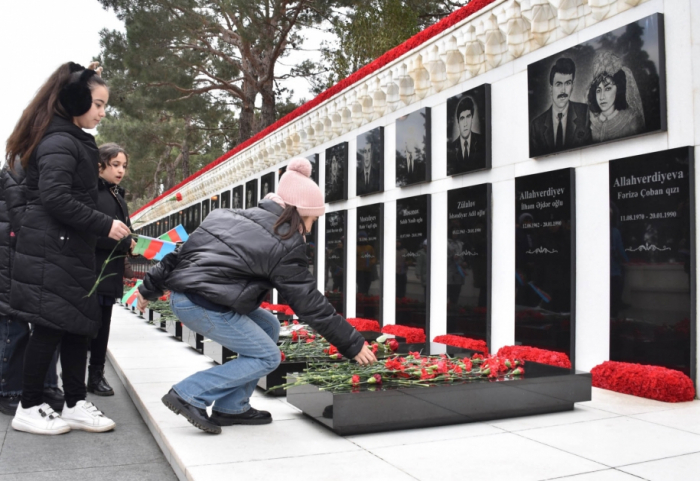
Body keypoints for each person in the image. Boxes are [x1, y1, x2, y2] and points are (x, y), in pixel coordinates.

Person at [136, 158, 375, 434]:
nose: (310, 228)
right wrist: (352, 343)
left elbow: (177, 256)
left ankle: (232, 406)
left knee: (269, 324)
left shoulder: (226, 215)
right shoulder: (286, 242)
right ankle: (189, 394)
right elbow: (308, 302)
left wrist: (147, 288)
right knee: (267, 357)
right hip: (203, 304)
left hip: (193, 297)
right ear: (299, 212)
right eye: (312, 219)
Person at [5, 62, 131, 435]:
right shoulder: (60, 141)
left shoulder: (72, 138)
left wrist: (82, 69)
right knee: (49, 329)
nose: (103, 112)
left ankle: (75, 402)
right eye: (98, 103)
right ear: (76, 101)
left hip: (68, 248)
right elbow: (56, 198)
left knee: (78, 326)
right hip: (53, 249)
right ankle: (29, 407)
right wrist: (105, 224)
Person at [0, 160, 63, 415]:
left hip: (35, 258)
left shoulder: (44, 166)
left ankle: (45, 385)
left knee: (46, 326)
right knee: (11, 328)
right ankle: (9, 389)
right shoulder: (17, 169)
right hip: (11, 258)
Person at [89, 143, 135, 396]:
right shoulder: (92, 194)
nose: (120, 171)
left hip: (109, 271)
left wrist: (130, 244)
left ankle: (95, 375)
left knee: (102, 326)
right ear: (100, 165)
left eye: (124, 166)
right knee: (87, 327)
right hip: (92, 271)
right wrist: (125, 242)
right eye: (115, 164)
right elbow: (90, 233)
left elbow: (122, 231)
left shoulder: (118, 196)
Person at [529, 57, 591, 157]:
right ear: (551, 88)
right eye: (558, 84)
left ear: (573, 85)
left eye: (567, 83)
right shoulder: (537, 126)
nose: (563, 90)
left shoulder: (584, 113)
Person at [587, 51, 645, 143]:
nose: (602, 97)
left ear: (618, 90)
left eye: (608, 89)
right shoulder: (590, 123)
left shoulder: (631, 121)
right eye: (598, 90)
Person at [447, 96, 485, 175]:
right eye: (462, 118)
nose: (465, 124)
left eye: (468, 117)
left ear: (472, 118)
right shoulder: (452, 148)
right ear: (458, 122)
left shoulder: (482, 142)